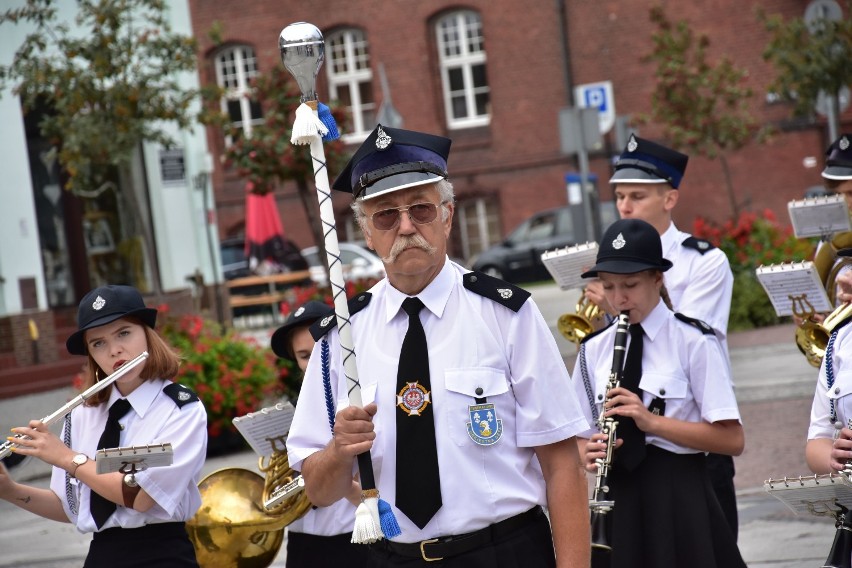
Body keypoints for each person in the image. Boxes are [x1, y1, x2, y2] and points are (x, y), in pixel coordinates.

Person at [286, 124, 591, 567]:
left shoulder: (507, 315)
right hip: (394, 557)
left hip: (504, 552)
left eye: (421, 209)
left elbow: (563, 465)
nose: (407, 226)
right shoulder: (341, 339)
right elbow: (319, 490)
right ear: (367, 234)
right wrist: (338, 451)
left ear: (448, 216)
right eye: (386, 215)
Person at [584, 134, 740, 537]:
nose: (624, 206)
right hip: (626, 478)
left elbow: (678, 327)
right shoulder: (614, 271)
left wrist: (612, 303)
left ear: (669, 199)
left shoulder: (703, 260)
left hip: (690, 451)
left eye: (637, 196)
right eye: (619, 196)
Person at [575, 218, 746, 568]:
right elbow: (574, 438)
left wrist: (650, 422)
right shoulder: (592, 349)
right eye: (608, 286)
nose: (618, 298)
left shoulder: (693, 341)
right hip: (617, 498)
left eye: (630, 285)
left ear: (658, 278)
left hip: (680, 493)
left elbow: (732, 440)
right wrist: (587, 451)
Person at [0, 285, 206, 567]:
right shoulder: (82, 415)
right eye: (98, 343)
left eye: (124, 333)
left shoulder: (181, 409)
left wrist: (66, 457)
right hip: (102, 555)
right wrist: (9, 489)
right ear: (91, 355)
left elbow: (141, 497)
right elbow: (69, 506)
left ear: (148, 334)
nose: (115, 350)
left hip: (164, 554)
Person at [269, 300, 368, 568]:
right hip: (304, 540)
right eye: (304, 356)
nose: (313, 363)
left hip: (356, 537)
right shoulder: (300, 404)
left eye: (319, 352)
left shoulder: (359, 396)